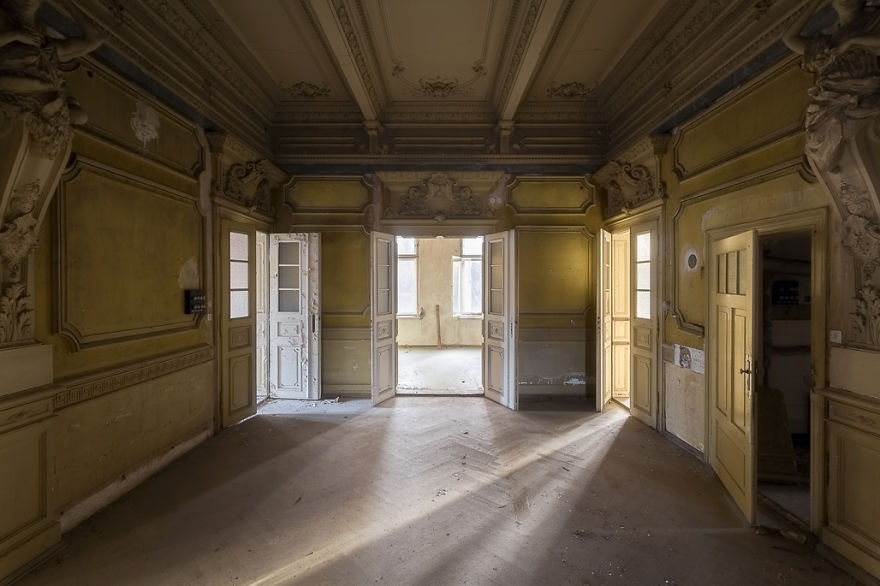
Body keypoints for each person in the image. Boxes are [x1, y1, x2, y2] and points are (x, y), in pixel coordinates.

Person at [783, 0, 880, 172]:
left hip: (859, 93)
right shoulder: (825, 44)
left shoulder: (873, 21)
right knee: (819, 142)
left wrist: (852, 41)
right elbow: (789, 38)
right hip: (826, 99)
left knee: (851, 124)